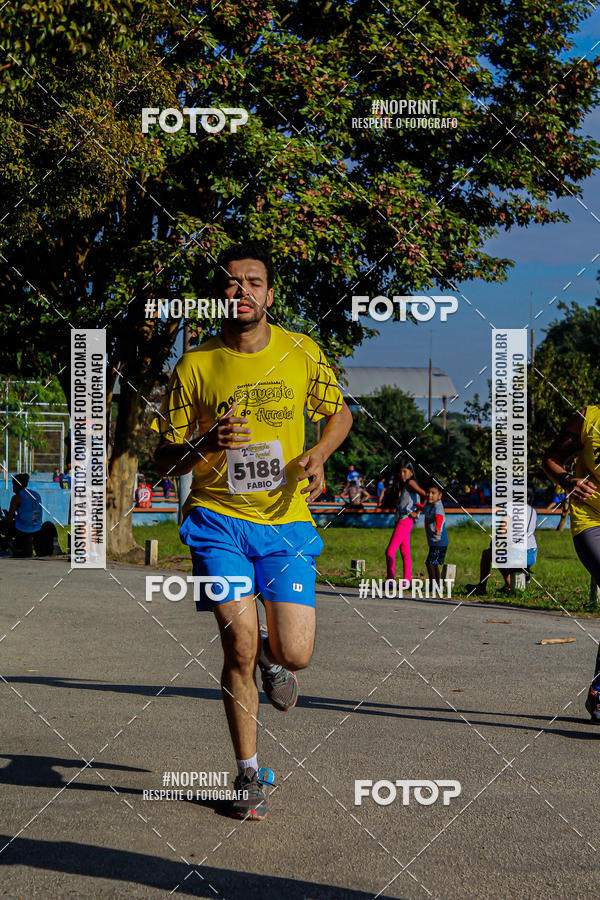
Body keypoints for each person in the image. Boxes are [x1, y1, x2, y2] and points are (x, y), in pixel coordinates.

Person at [153, 241, 353, 819]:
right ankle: (247, 775)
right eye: (230, 283)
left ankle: (273, 662)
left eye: (252, 282)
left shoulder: (300, 351)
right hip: (218, 520)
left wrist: (318, 453)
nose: (240, 292)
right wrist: (204, 444)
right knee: (237, 643)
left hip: (287, 521)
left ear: (269, 292)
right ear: (218, 295)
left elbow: (339, 411)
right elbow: (165, 461)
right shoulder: (196, 365)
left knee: (295, 654)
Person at [543, 406, 600, 723]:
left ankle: (599, 693)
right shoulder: (587, 418)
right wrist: (567, 480)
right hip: (590, 519)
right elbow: (550, 459)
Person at [465, 492, 538, 595]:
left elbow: (502, 530)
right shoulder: (533, 511)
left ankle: (482, 587)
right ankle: (510, 583)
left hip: (518, 554)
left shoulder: (511, 506)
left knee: (488, 553)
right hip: (531, 554)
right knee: (499, 552)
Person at [385, 462, 426, 585]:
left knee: (390, 551)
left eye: (405, 472)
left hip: (406, 520)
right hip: (402, 520)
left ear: (411, 473)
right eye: (401, 472)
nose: (402, 474)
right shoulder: (403, 485)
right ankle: (406, 581)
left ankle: (390, 580)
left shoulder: (411, 483)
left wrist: (417, 511)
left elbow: (425, 495)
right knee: (405, 551)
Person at [1, 474, 43, 558]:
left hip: (23, 528)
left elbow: (9, 520)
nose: (12, 487)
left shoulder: (16, 497)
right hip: (37, 526)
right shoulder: (36, 494)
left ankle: (7, 547)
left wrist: (3, 517)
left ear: (17, 485)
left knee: (3, 526)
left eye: (13, 485)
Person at [422, 483, 449, 587]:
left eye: (433, 493)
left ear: (440, 496)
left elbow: (439, 517)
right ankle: (436, 584)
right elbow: (424, 509)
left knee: (430, 563)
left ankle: (435, 585)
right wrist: (417, 507)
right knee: (433, 563)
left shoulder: (438, 506)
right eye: (428, 492)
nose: (430, 495)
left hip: (440, 541)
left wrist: (438, 528)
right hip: (435, 542)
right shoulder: (430, 505)